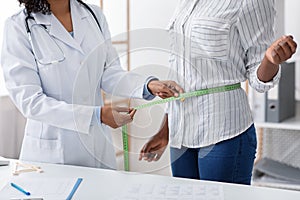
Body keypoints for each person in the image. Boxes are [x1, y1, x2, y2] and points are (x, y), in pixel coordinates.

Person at [1, 0, 183, 169]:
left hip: (97, 149)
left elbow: (109, 73)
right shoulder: (18, 26)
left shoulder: (93, 15)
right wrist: (96, 115)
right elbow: (30, 102)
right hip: (52, 155)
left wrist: (148, 85)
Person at [139, 0, 297, 185]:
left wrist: (270, 61)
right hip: (181, 133)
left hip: (223, 130)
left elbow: (258, 80)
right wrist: (165, 130)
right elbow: (179, 71)